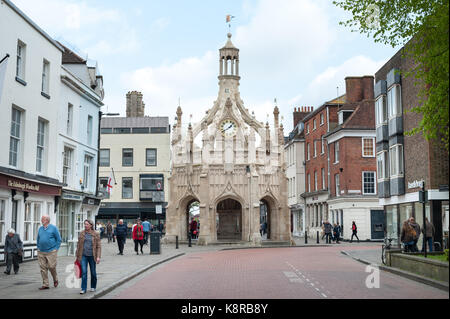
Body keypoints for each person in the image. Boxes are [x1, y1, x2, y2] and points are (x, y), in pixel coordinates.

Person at [76, 220, 101, 294]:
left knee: (93, 273)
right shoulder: (82, 233)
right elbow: (78, 245)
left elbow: (99, 246)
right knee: (84, 272)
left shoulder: (96, 234)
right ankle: (83, 288)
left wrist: (98, 256)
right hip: (83, 255)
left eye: (87, 224)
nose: (85, 225)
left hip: (92, 256)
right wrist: (77, 255)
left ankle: (93, 286)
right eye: (85, 224)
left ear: (91, 225)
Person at [36, 215, 61, 290]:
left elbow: (59, 239)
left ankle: (55, 279)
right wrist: (38, 247)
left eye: (42, 219)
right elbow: (38, 239)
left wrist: (56, 249)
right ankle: (45, 284)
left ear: (47, 220)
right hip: (41, 251)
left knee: (51, 266)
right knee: (42, 268)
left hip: (51, 251)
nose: (41, 220)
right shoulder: (40, 229)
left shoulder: (53, 228)